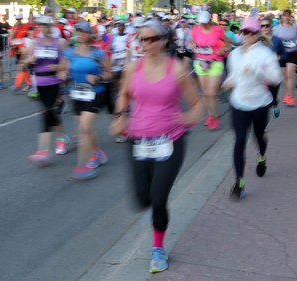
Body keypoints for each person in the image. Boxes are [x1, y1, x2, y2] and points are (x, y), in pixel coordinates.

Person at [111, 19, 203, 273]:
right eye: (142, 39)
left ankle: (157, 247)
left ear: (164, 40)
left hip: (169, 141)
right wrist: (120, 116)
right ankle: (154, 218)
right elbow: (124, 94)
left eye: (152, 38)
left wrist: (188, 117)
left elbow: (197, 105)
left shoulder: (177, 68)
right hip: (137, 140)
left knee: (159, 198)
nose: (147, 43)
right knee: (142, 199)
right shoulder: (132, 68)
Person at [222, 17, 282, 199]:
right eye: (245, 32)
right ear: (240, 33)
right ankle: (239, 182)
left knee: (258, 136)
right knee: (239, 141)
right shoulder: (234, 54)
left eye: (252, 32)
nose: (248, 35)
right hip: (239, 102)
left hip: (260, 103)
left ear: (257, 34)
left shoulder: (265, 53)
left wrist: (257, 72)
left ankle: (261, 156)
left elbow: (277, 77)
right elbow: (233, 76)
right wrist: (227, 83)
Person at [61, 21, 111, 179]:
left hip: (96, 94)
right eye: (78, 31)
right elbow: (63, 69)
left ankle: (86, 164)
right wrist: (62, 74)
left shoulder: (98, 54)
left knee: (84, 128)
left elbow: (110, 73)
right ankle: (97, 152)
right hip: (77, 94)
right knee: (86, 130)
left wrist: (98, 77)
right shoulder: (70, 53)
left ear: (91, 35)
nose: (81, 35)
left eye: (84, 32)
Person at [23, 16, 70, 166]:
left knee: (47, 112)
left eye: (45, 26)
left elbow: (65, 63)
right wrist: (30, 59)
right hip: (39, 82)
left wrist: (59, 68)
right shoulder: (35, 43)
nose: (43, 29)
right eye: (40, 26)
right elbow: (23, 64)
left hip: (54, 81)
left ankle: (42, 151)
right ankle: (62, 138)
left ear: (50, 26)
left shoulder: (59, 43)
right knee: (50, 112)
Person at [189, 11, 230, 130]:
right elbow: (191, 41)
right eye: (201, 22)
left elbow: (227, 43)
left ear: (209, 20)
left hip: (215, 62)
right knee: (205, 93)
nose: (203, 24)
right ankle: (210, 115)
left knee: (211, 93)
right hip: (200, 63)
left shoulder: (217, 30)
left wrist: (222, 50)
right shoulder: (196, 30)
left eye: (205, 22)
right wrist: (191, 45)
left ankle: (214, 116)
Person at [260, 17, 287, 118]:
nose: (265, 28)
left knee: (272, 96)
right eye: (262, 26)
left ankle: (275, 103)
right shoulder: (257, 40)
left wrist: (279, 57)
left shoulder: (277, 40)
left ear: (271, 27)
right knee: (263, 99)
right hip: (261, 73)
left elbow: (285, 55)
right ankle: (263, 125)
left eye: (267, 25)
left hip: (274, 73)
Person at [273, 9, 297, 106]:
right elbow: (274, 41)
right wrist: (275, 52)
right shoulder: (277, 29)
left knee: (290, 74)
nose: (287, 17)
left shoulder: (295, 27)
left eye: (288, 16)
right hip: (282, 54)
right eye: (285, 16)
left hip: (293, 52)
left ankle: (291, 96)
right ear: (282, 17)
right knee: (284, 76)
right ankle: (287, 95)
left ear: (291, 17)